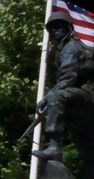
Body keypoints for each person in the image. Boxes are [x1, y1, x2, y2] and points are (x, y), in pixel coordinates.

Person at [33, 11, 94, 164]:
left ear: (68, 28)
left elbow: (67, 80)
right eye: (52, 28)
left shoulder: (71, 48)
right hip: (83, 97)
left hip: (89, 95)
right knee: (85, 145)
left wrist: (46, 98)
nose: (54, 31)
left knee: (56, 96)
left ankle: (54, 146)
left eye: (58, 27)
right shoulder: (63, 49)